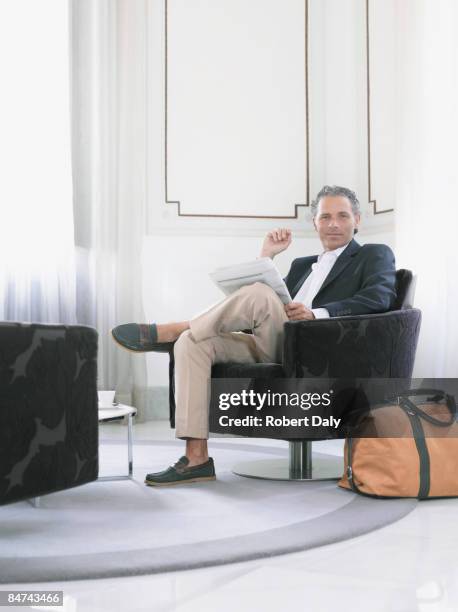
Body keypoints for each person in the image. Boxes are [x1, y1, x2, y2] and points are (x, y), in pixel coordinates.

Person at [111, 185, 396, 486]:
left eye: (342, 216)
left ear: (357, 220)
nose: (333, 224)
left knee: (252, 298)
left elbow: (381, 297)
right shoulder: (301, 265)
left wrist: (317, 313)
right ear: (315, 223)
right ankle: (196, 458)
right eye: (325, 217)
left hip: (320, 351)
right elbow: (263, 307)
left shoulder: (374, 255)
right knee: (192, 343)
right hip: (276, 341)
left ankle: (172, 328)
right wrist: (266, 257)